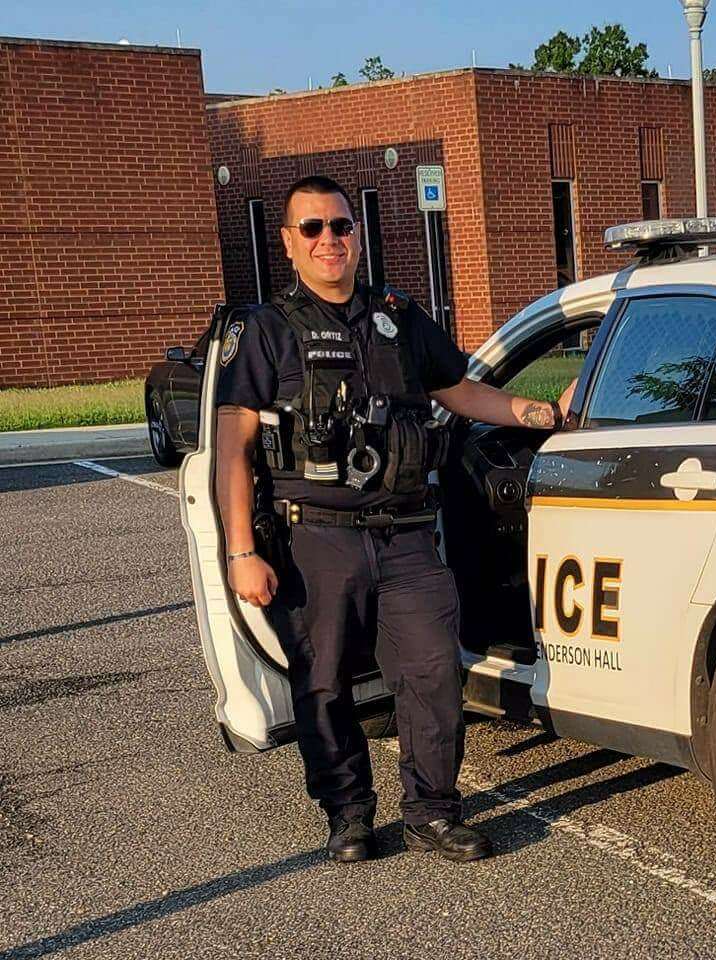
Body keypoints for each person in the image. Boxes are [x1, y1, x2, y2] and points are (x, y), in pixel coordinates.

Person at [215, 174, 569, 864]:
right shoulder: (265, 332)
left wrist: (544, 415)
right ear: (288, 243)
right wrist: (238, 551)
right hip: (313, 536)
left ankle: (432, 812)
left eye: (340, 226)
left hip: (406, 533)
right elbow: (233, 445)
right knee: (321, 681)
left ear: (357, 234)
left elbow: (462, 392)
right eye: (311, 228)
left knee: (433, 672)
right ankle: (347, 816)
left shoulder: (398, 317)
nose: (329, 240)